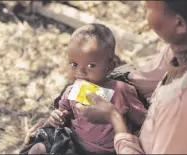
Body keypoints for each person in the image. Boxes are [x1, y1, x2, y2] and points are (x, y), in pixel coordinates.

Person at [76, 0, 187, 154]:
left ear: (179, 24)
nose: (142, 6)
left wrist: (114, 118)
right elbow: (147, 75)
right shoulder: (183, 47)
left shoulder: (183, 106)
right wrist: (109, 81)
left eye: (148, 6)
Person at [22, 23, 147, 155]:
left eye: (91, 65)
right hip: (74, 143)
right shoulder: (71, 91)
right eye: (74, 64)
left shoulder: (121, 91)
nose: (80, 72)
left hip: (109, 150)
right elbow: (64, 111)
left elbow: (144, 120)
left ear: (110, 66)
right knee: (37, 149)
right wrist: (56, 118)